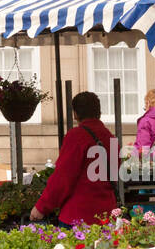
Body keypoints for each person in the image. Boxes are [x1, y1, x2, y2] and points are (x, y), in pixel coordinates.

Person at [30, 90, 117, 226]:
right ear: (99, 112)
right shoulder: (110, 137)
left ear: (75, 114)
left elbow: (63, 177)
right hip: (106, 214)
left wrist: (42, 206)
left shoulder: (76, 136)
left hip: (78, 214)